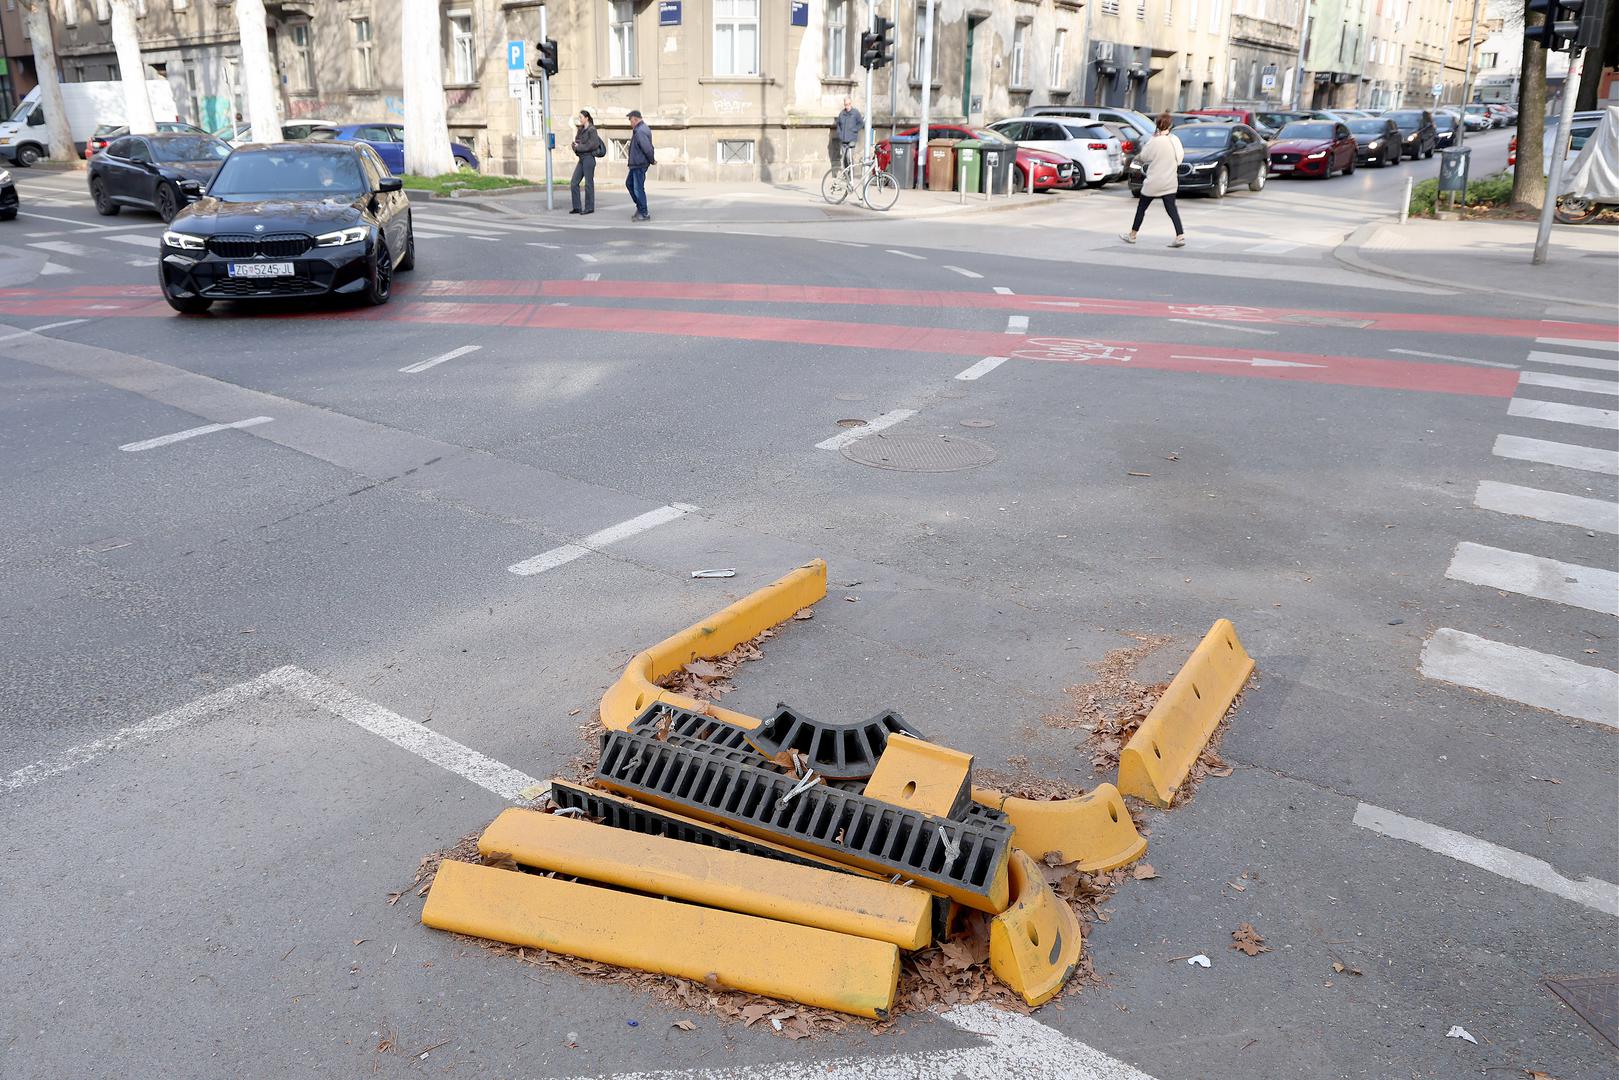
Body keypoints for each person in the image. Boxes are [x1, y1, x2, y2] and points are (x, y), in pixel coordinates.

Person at [1122, 113, 1186, 249]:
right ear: (1170, 125)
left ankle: (1132, 235)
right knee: (1172, 209)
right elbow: (1180, 159)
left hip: (1154, 181)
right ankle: (1180, 236)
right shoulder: (1175, 140)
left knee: (1142, 208)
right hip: (1170, 181)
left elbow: (1143, 157)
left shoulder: (1154, 141)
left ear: (1157, 125)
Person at [569, 110, 604, 215]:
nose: (580, 119)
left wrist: (579, 147)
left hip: (589, 159)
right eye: (579, 117)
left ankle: (589, 207)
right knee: (574, 183)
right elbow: (577, 141)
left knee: (588, 184)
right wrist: (575, 146)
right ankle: (577, 207)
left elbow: (592, 145)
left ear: (587, 118)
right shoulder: (580, 129)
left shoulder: (592, 130)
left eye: (581, 117)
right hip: (581, 159)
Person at [626, 109, 655, 222]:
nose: (630, 123)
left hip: (639, 164)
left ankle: (644, 212)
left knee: (638, 189)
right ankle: (640, 208)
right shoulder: (639, 130)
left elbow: (647, 149)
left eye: (630, 120)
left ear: (635, 119)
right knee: (629, 184)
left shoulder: (641, 131)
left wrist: (652, 160)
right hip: (635, 164)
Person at [834, 96, 864, 166]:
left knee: (849, 157)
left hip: (852, 139)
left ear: (851, 104)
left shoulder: (855, 113)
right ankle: (846, 175)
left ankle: (851, 174)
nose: (847, 106)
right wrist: (839, 134)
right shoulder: (842, 114)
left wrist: (855, 130)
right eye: (845, 105)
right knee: (844, 159)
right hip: (843, 139)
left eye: (848, 104)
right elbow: (838, 125)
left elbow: (861, 123)